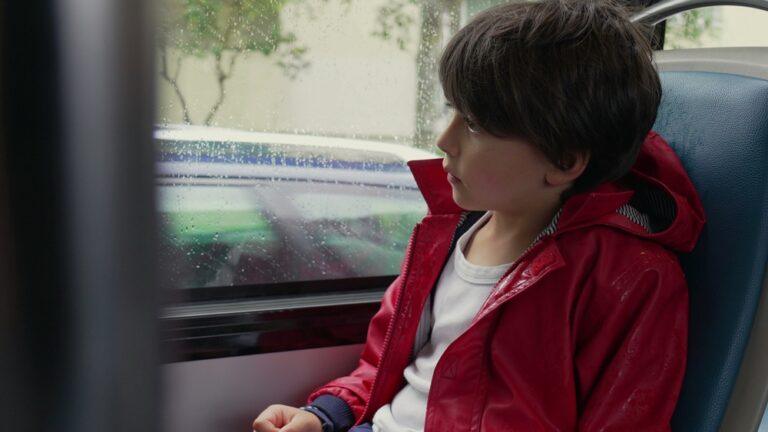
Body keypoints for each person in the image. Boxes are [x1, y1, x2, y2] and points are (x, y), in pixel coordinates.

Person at [252, 0, 705, 430]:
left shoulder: (630, 278)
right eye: (453, 111)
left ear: (564, 161)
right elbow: (386, 365)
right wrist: (326, 414)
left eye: (474, 125)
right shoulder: (448, 235)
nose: (444, 141)